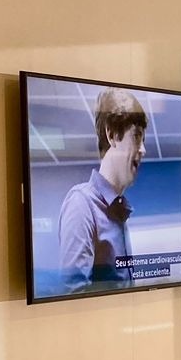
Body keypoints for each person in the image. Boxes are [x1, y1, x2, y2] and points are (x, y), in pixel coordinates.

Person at [57, 87, 147, 292]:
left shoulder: (118, 211)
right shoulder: (81, 204)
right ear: (112, 134)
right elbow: (73, 296)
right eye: (137, 136)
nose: (143, 149)